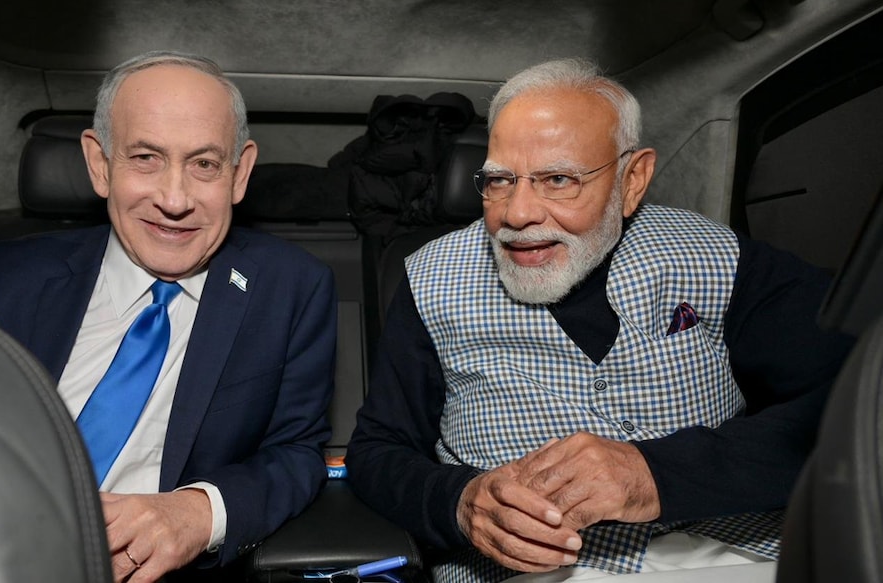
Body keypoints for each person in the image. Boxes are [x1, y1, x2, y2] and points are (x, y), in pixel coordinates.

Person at [345, 58, 853, 582]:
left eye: (558, 179)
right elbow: (377, 451)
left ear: (633, 179)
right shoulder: (432, 278)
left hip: (743, 556)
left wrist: (660, 474)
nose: (517, 214)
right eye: (499, 180)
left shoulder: (716, 257)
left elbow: (856, 401)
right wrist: (459, 502)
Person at [0, 51, 336, 582]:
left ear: (239, 175)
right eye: (146, 158)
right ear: (100, 164)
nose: (175, 199)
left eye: (204, 164)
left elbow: (297, 452)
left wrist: (195, 512)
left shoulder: (290, 288)